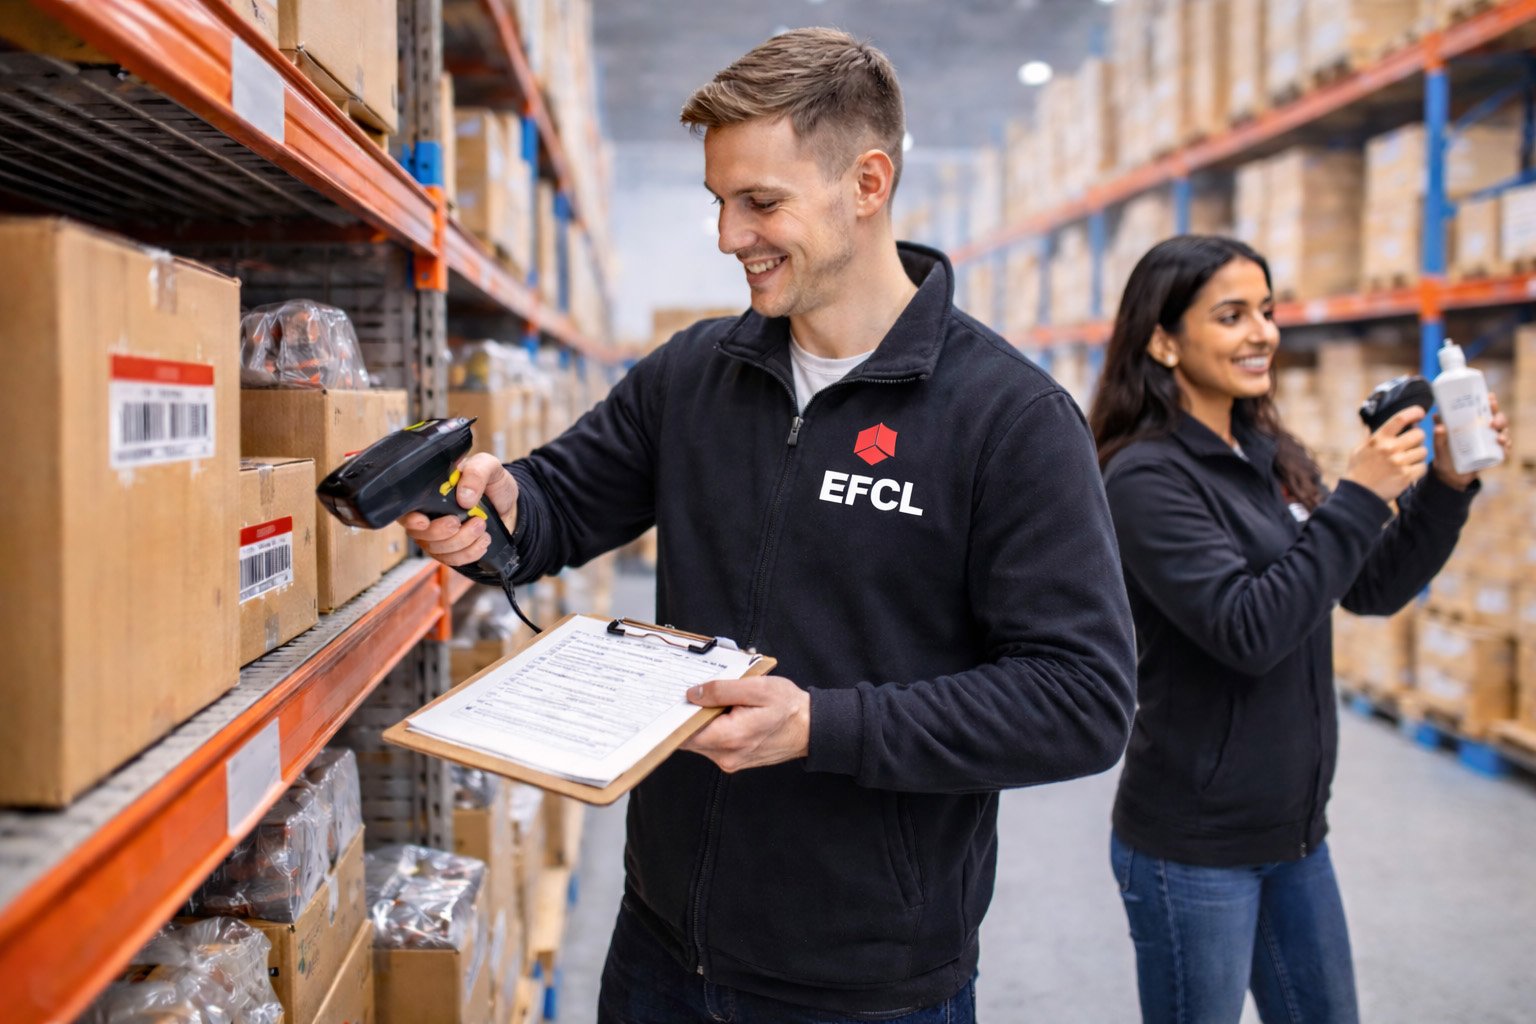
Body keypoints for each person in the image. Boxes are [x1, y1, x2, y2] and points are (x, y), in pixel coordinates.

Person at [404, 28, 1137, 1023]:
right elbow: (562, 501)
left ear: (868, 182)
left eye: (761, 203)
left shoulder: (1007, 419)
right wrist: (494, 511)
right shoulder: (696, 373)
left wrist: (824, 727)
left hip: (864, 980)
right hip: (663, 941)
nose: (726, 237)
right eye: (718, 201)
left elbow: (1082, 697)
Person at [1088, 235, 1512, 1024]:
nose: (1263, 333)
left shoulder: (1267, 452)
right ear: (1162, 340)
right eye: (1231, 315)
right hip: (1195, 848)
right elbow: (1248, 629)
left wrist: (1445, 485)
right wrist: (1357, 493)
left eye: (1268, 311)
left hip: (1295, 835)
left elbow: (1370, 587)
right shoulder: (1144, 478)